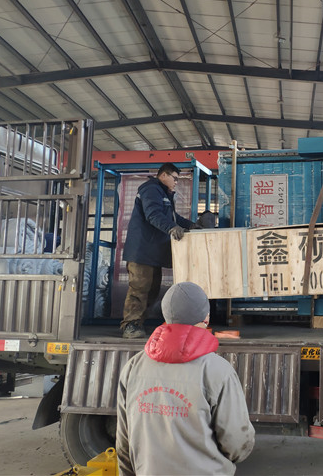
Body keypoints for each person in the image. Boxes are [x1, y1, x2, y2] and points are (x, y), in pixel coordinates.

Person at [116, 282, 255, 476]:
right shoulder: (218, 371)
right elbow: (236, 443)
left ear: (166, 315)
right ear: (206, 317)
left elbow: (124, 443)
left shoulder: (133, 367)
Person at [121, 163, 196, 339]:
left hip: (153, 253)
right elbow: (153, 214)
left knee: (152, 290)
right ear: (163, 175)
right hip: (142, 251)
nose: (176, 182)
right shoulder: (151, 189)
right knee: (140, 288)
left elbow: (173, 217)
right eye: (174, 178)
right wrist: (171, 228)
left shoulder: (164, 194)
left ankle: (139, 323)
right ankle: (130, 325)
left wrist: (192, 225)